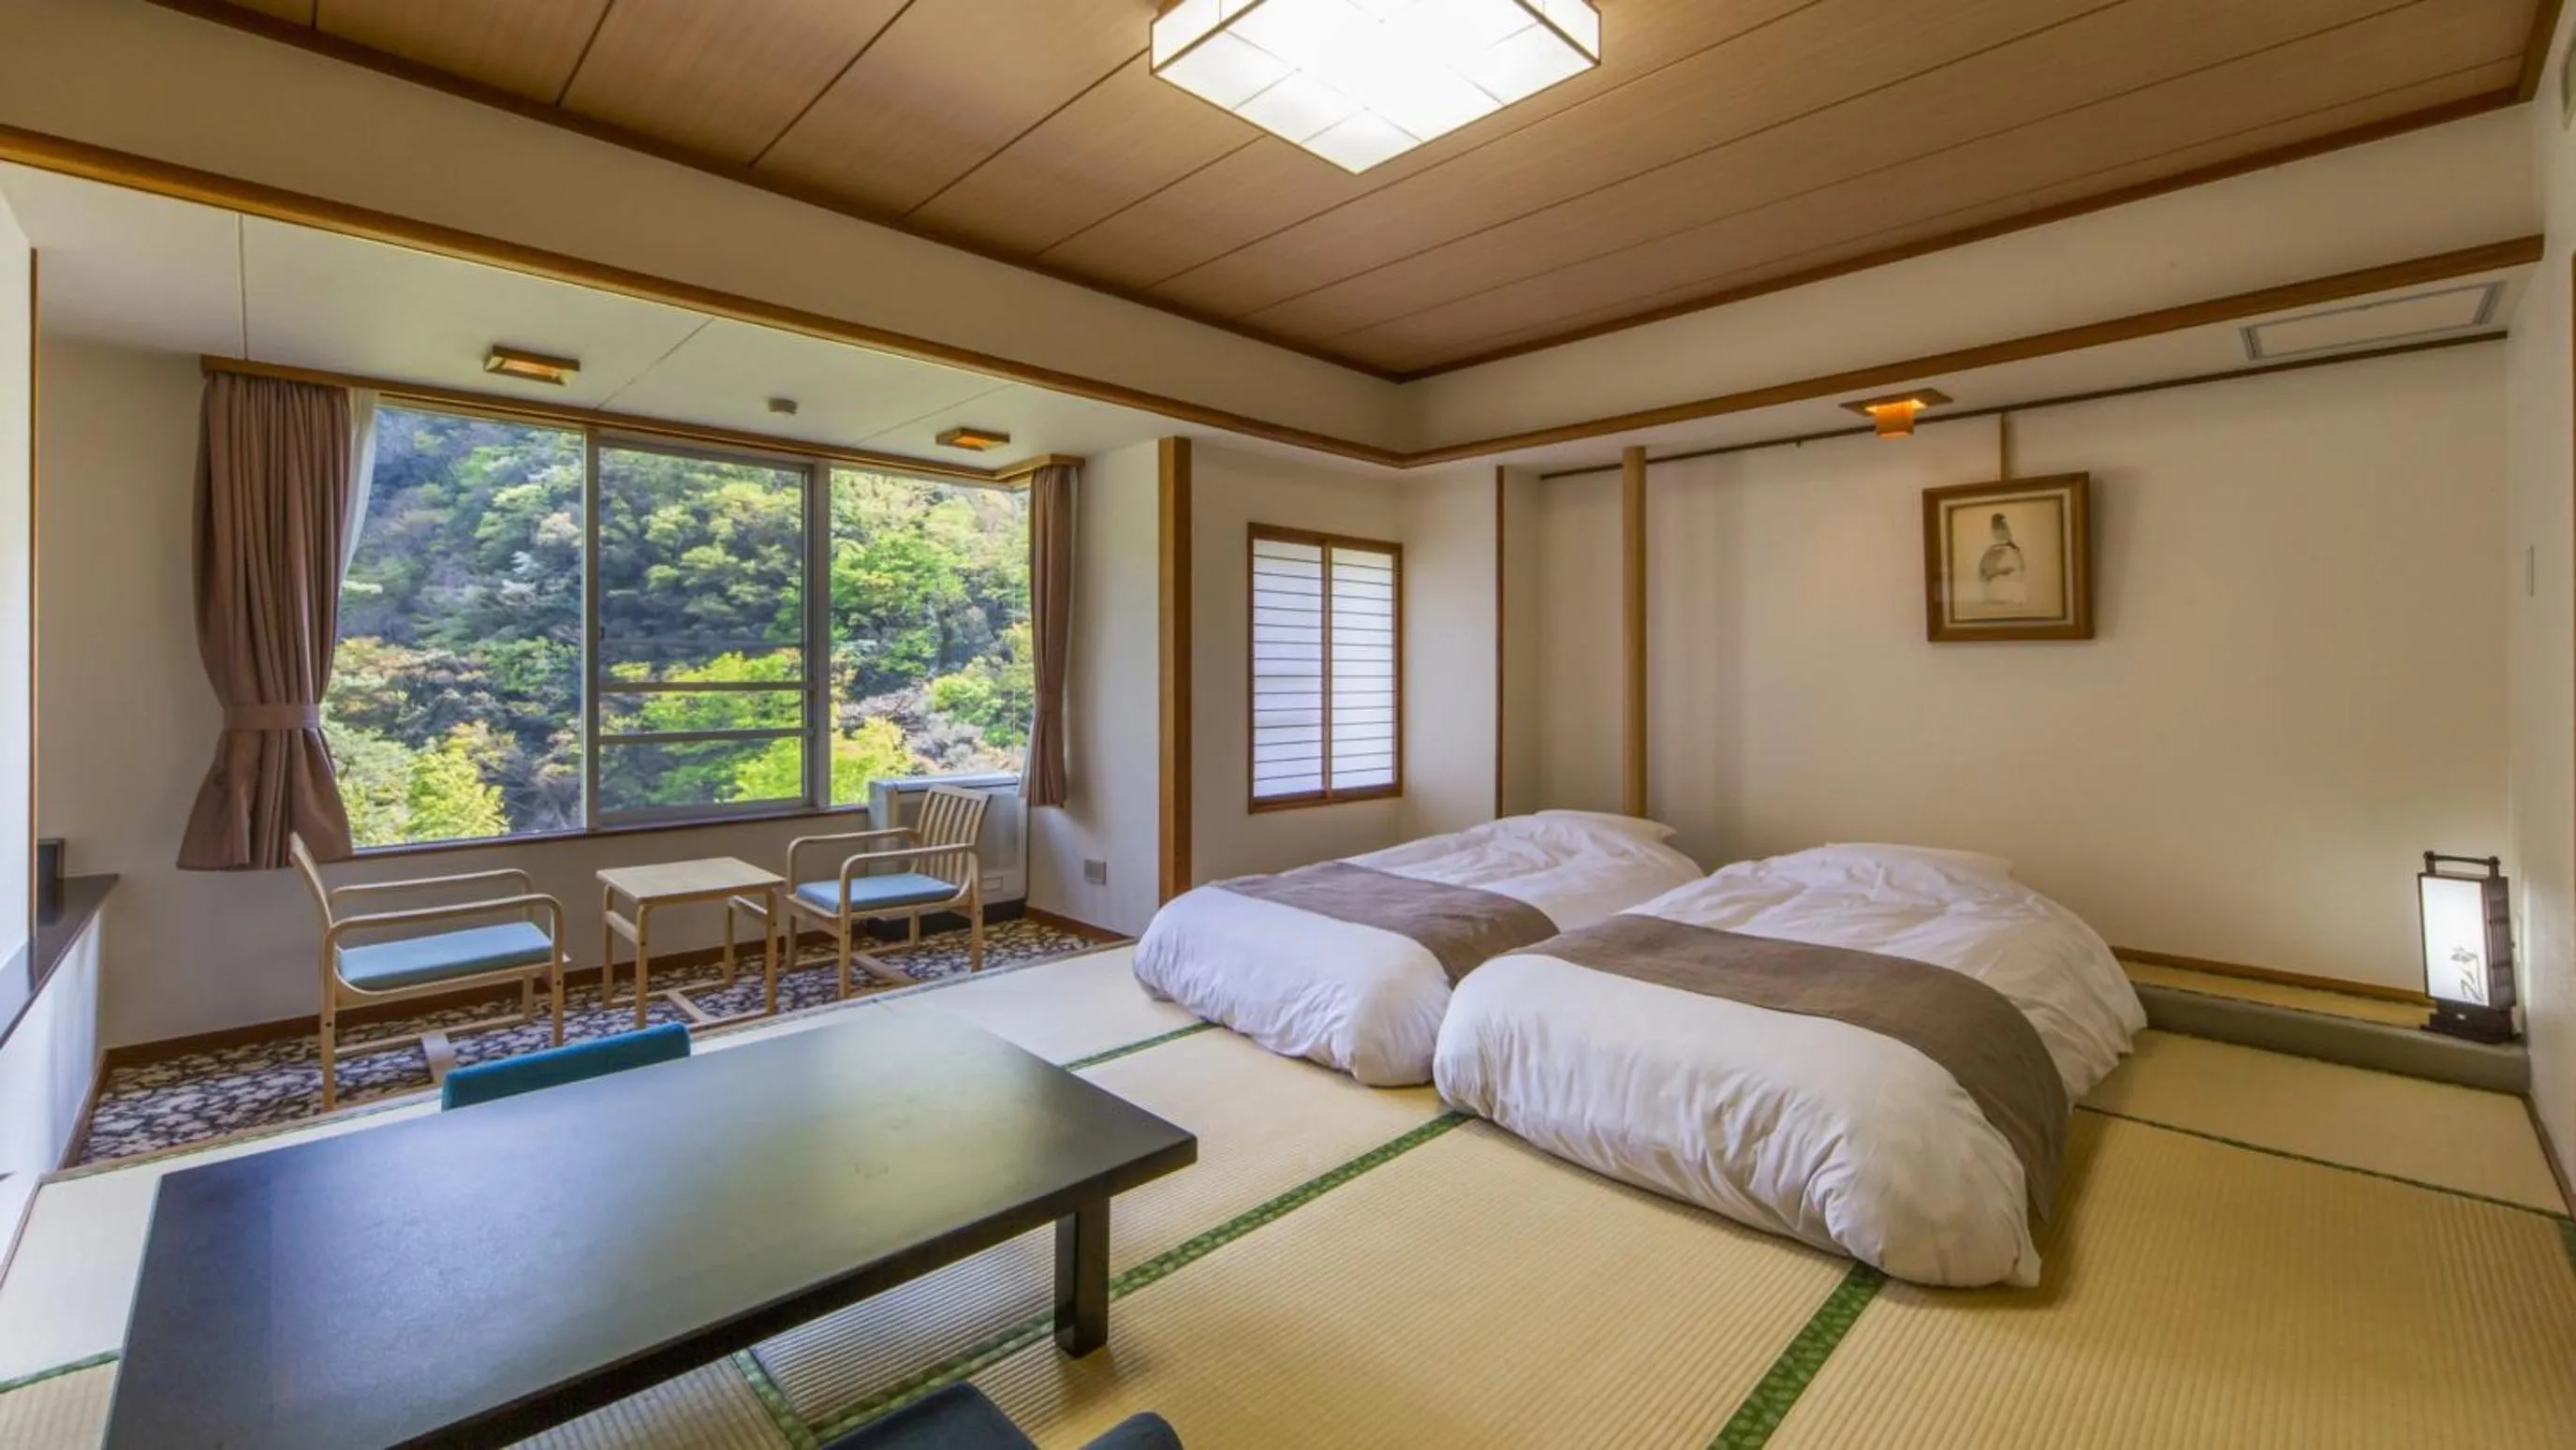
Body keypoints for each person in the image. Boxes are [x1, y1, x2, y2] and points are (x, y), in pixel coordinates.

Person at [1978, 512, 2027, 607]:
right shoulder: (1990, 550)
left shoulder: (2013, 551)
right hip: (1992, 596)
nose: (1997, 532)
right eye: (1995, 529)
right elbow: (1982, 571)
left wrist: (1994, 572)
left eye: (2002, 529)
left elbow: (2014, 569)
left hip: (2009, 598)